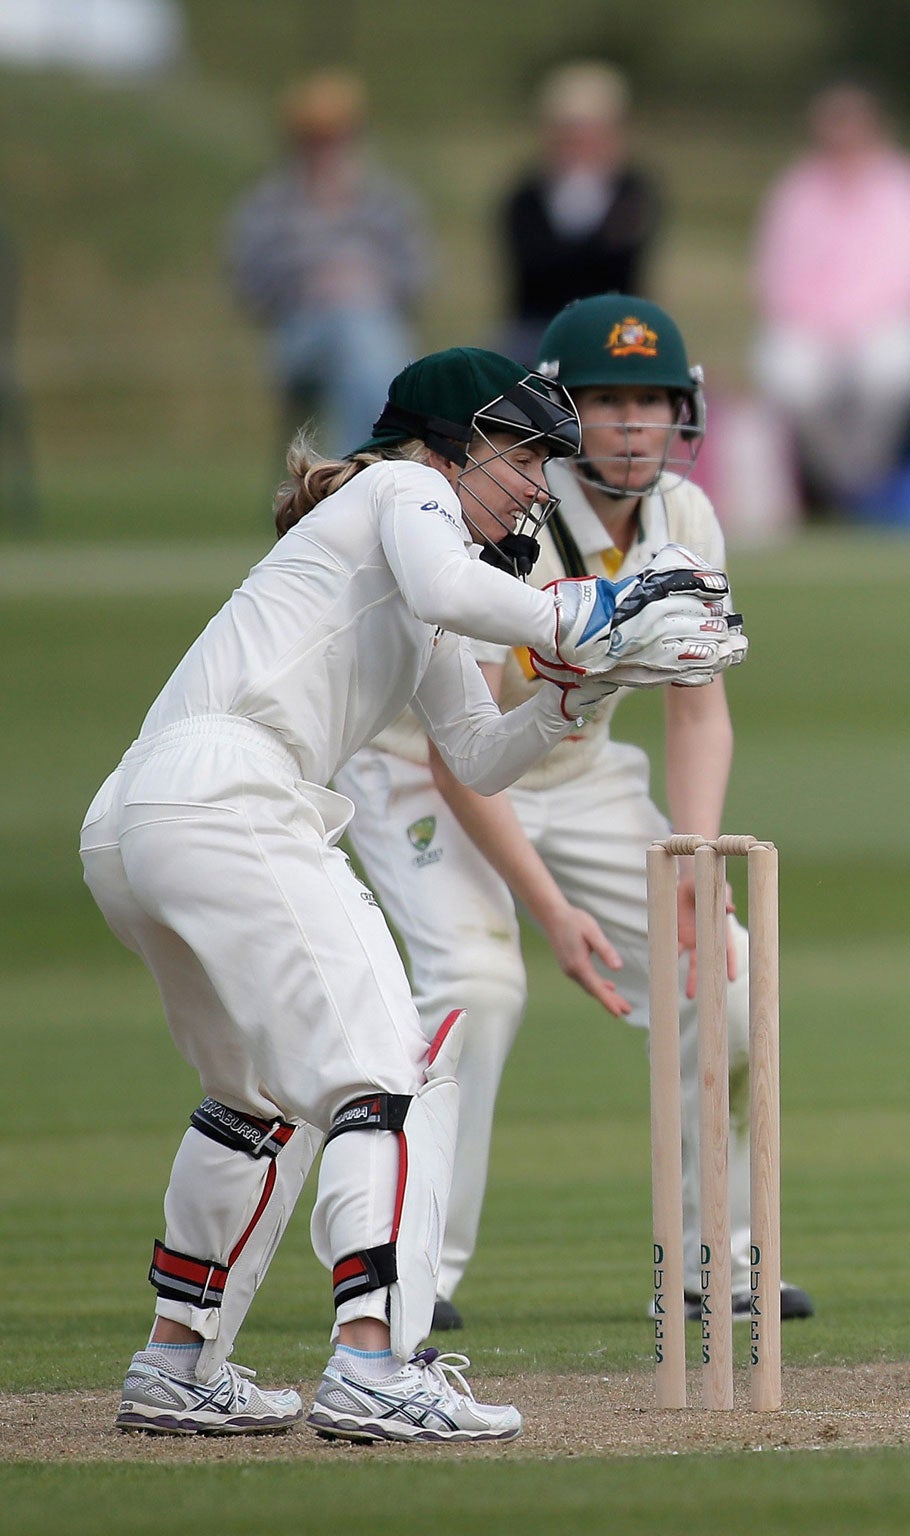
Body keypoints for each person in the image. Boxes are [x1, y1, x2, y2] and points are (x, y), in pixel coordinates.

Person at [82, 347, 747, 1442]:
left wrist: (585, 686)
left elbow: (480, 753)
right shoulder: (404, 490)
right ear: (451, 442)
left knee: (252, 1100)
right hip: (234, 798)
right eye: (524, 454)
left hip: (141, 821)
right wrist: (603, 608)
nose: (539, 483)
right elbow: (455, 586)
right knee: (388, 1072)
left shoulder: (419, 580)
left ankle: (177, 1362)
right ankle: (373, 1366)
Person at [334, 296, 811, 1333]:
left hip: (581, 769)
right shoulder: (514, 513)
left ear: (680, 413)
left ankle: (714, 1259)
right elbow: (465, 750)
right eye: (606, 401)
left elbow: (699, 707)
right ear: (558, 414)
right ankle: (417, 1268)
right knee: (479, 983)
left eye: (650, 400)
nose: (633, 424)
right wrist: (551, 914)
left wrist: (693, 859)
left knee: (724, 972)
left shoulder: (686, 516)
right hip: (425, 768)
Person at [752, 82, 910, 510]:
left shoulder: (909, 187)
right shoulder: (798, 189)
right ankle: (835, 479)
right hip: (812, 325)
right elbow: (775, 273)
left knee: (888, 370)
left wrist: (858, 322)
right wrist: (823, 323)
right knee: (789, 375)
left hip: (888, 321)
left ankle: (866, 476)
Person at [225, 72, 431, 454]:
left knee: (360, 337)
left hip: (375, 326)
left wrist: (368, 281)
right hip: (299, 334)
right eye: (316, 139)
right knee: (357, 334)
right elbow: (248, 284)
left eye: (337, 137)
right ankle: (370, 462)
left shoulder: (385, 200)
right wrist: (311, 285)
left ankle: (352, 469)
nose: (327, 148)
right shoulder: (270, 204)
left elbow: (417, 276)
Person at [499, 62, 661, 366]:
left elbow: (623, 272)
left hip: (617, 327)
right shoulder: (527, 197)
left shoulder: (636, 191)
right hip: (539, 328)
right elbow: (532, 275)